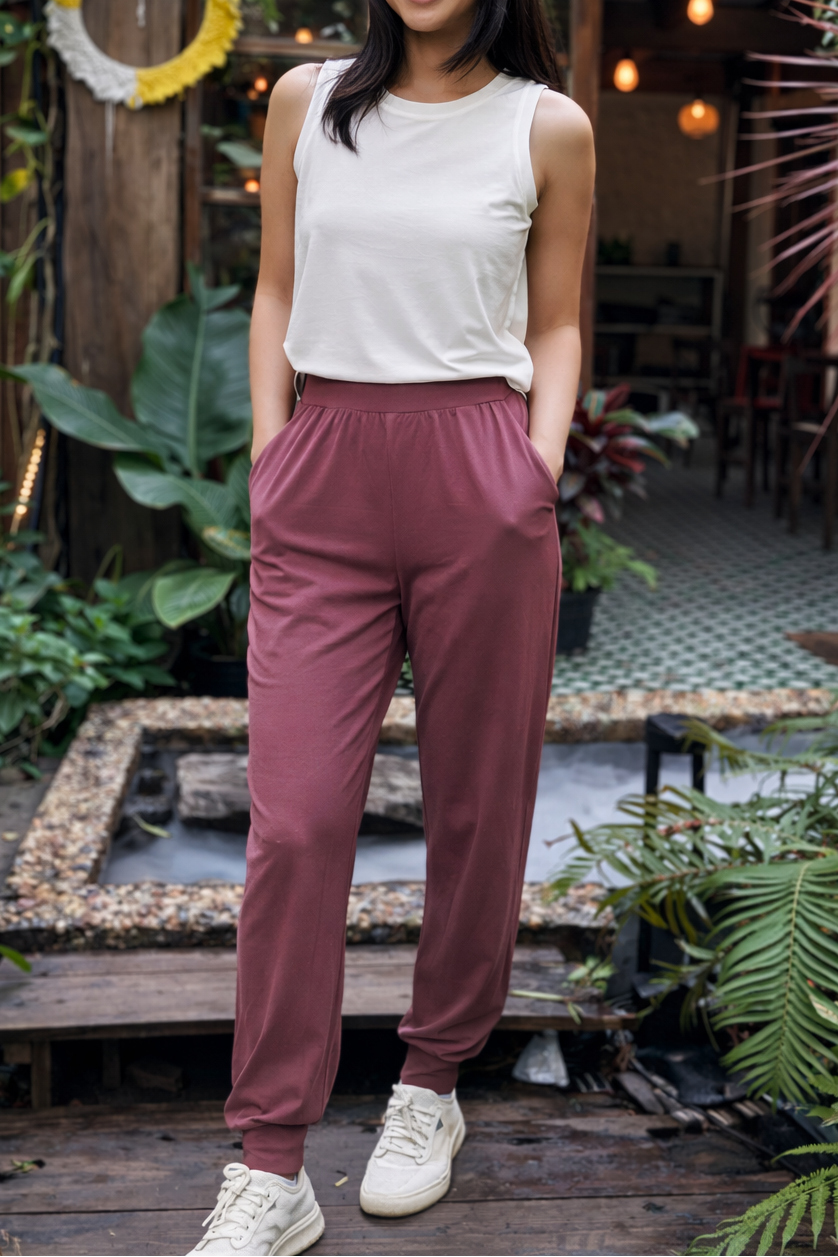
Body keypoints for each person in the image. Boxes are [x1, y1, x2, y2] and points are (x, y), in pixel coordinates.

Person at [187, 0, 593, 1248]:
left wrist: (531, 472)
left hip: (482, 476)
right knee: (298, 821)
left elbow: (558, 322)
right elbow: (274, 295)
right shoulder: (306, 103)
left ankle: (429, 1083)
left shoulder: (548, 126)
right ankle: (270, 1164)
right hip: (325, 477)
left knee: (478, 804)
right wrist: (272, 457)